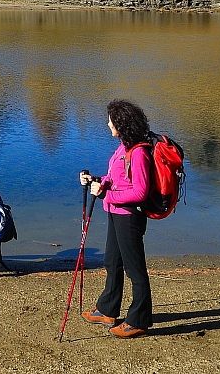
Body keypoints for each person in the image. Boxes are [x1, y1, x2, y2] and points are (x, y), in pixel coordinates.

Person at [79, 100, 154, 338]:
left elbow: (141, 192)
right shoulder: (123, 147)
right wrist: (95, 181)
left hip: (130, 217)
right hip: (114, 212)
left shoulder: (139, 152)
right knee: (112, 261)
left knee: (135, 269)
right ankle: (107, 309)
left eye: (110, 119)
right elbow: (115, 179)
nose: (107, 123)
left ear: (121, 123)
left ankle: (139, 320)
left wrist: (107, 193)